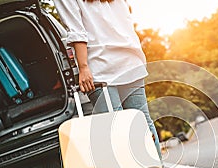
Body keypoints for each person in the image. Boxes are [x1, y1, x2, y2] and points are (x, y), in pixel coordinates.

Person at [53, 0, 162, 159]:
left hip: (100, 67)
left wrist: (83, 68)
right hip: (130, 60)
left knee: (116, 131)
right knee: (143, 123)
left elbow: (77, 32)